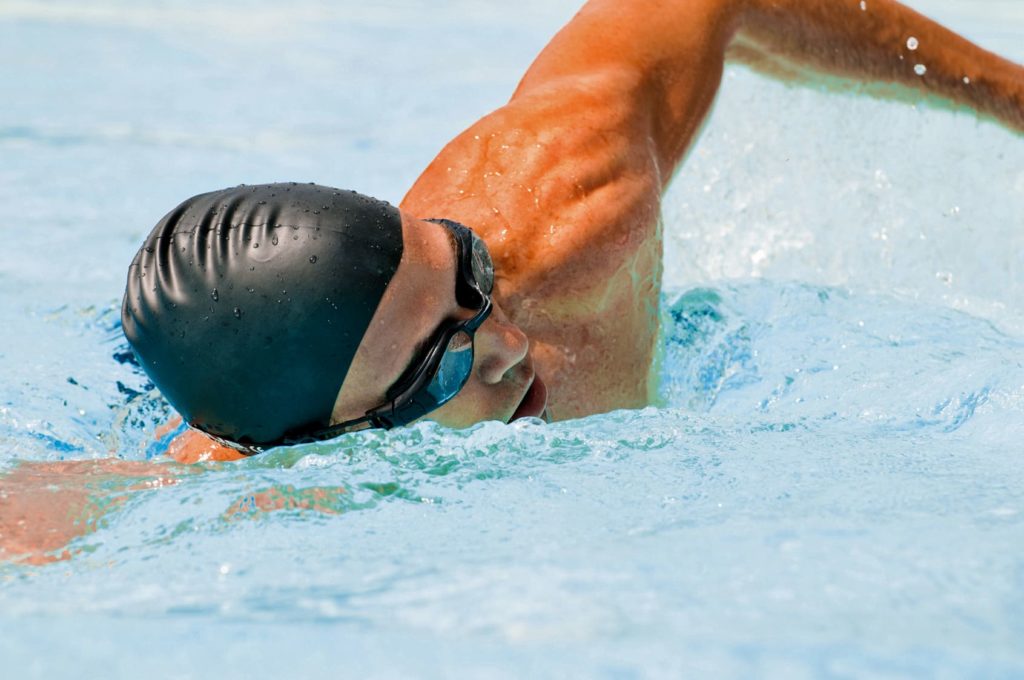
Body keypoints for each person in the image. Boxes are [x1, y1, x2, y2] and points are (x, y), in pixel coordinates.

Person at [4, 0, 1024, 562]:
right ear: (323, 442)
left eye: (469, 278)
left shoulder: (575, 203)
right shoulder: (242, 479)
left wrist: (1010, 95)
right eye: (438, 372)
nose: (505, 343)